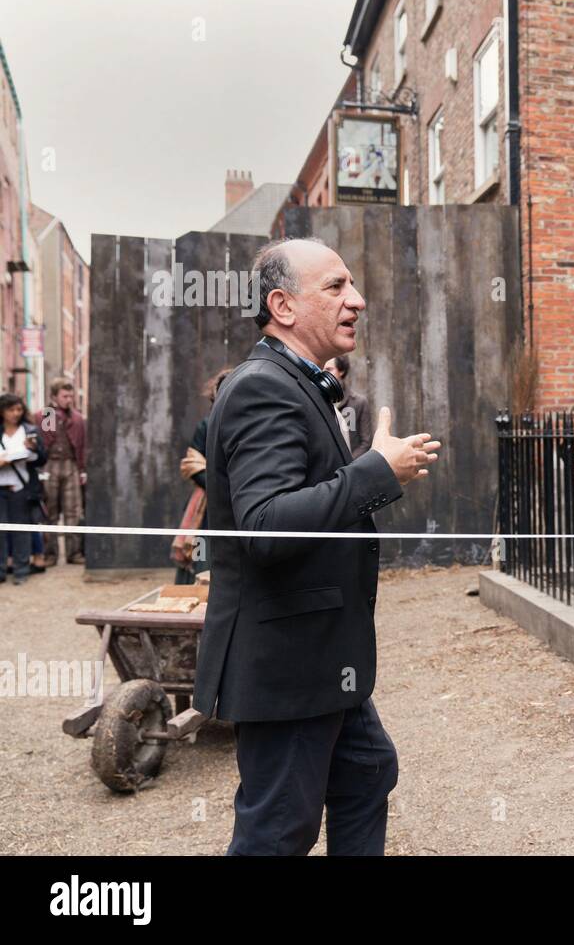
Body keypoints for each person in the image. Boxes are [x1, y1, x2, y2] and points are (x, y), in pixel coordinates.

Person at [193, 237, 440, 856]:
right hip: (288, 663)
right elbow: (267, 529)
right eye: (335, 287)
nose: (356, 300)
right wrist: (378, 472)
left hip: (324, 657)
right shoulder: (263, 388)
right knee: (277, 831)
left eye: (351, 286)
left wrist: (373, 472)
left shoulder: (300, 383)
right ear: (282, 305)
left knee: (366, 772)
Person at [172, 368, 233, 585]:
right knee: (201, 555)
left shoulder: (247, 423)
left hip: (238, 503)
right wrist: (220, 486)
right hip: (207, 507)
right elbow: (192, 464)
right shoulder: (206, 425)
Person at [0, 394, 49, 586]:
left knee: (21, 530)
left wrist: (34, 449)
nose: (15, 413)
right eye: (11, 409)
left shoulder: (30, 430)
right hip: (0, 488)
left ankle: (21, 569)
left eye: (19, 409)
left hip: (21, 488)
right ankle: (1, 569)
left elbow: (42, 458)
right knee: (1, 532)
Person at [39, 377, 86, 566]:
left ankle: (73, 553)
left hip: (71, 465)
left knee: (73, 510)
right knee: (50, 510)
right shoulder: (48, 414)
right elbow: (46, 440)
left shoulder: (76, 417)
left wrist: (82, 469)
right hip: (51, 464)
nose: (69, 399)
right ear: (54, 396)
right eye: (65, 396)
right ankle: (50, 554)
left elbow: (82, 445)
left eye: (70, 396)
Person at [324, 355, 373, 458]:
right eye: (321, 369)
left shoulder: (359, 402)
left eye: (329, 369)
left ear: (341, 371)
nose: (323, 373)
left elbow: (366, 443)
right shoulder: (318, 399)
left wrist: (349, 464)